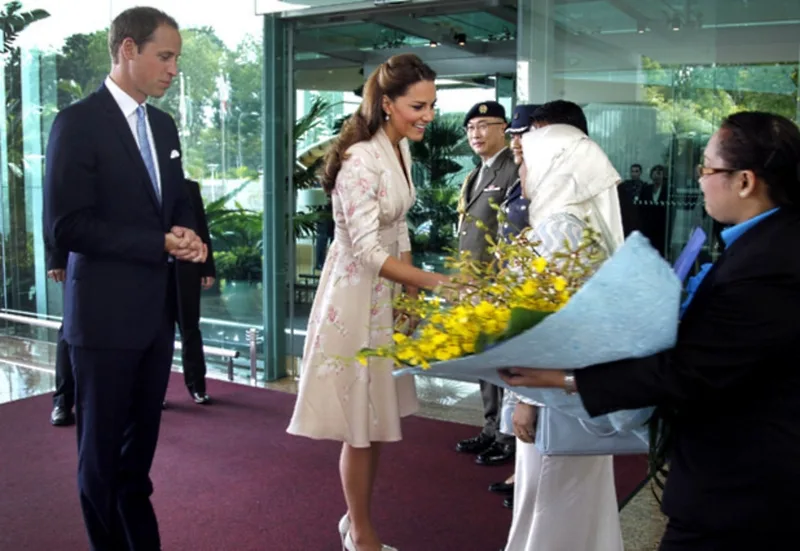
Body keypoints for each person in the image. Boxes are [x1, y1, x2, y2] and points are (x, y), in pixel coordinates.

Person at [499, 111, 800, 550]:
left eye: (707, 168)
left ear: (745, 181)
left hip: (745, 481)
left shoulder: (768, 265)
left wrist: (563, 379)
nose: (699, 179)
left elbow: (693, 372)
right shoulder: (765, 241)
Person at [42, 7, 206, 550]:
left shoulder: (163, 125)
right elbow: (70, 225)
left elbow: (176, 200)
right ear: (128, 50)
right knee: (101, 460)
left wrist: (186, 235)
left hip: (155, 320)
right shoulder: (77, 122)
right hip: (103, 322)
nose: (173, 69)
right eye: (165, 56)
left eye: (177, 58)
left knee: (137, 462)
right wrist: (157, 242)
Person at [287, 54, 449, 551]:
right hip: (356, 297)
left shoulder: (398, 149)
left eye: (432, 105)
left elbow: (398, 227)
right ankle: (360, 533)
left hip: (384, 293)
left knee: (375, 420)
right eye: (417, 106)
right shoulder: (360, 160)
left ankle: (355, 522)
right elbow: (365, 249)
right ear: (386, 104)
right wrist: (434, 281)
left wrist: (413, 295)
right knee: (359, 427)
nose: (428, 115)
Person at [502, 100, 624, 551]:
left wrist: (525, 399)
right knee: (575, 500)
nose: (523, 168)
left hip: (552, 395)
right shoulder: (583, 224)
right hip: (581, 390)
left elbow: (543, 324)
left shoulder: (558, 231)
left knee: (550, 501)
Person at [455, 101, 518, 467]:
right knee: (483, 358)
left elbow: (511, 232)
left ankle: (508, 435)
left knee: (500, 358)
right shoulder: (475, 174)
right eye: (470, 128)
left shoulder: (513, 170)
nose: (475, 134)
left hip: (495, 283)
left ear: (503, 128)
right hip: (472, 283)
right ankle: (491, 427)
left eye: (483, 125)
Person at [489, 103, 539, 510]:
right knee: (509, 379)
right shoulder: (515, 180)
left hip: (532, 292)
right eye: (515, 135)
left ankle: (524, 468)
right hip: (510, 284)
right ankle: (518, 462)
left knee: (523, 379)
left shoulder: (544, 181)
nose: (517, 142)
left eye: (524, 134)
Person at [175, 177, 216, 405]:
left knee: (190, 329)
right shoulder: (142, 186)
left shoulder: (189, 187)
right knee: (155, 335)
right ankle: (154, 392)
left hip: (187, 269)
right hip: (153, 270)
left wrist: (207, 267)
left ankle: (197, 386)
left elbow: (201, 226)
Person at [45, 240, 74, 426]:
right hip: (82, 257)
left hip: (128, 261)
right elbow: (52, 213)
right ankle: (63, 402)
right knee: (72, 327)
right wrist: (55, 256)